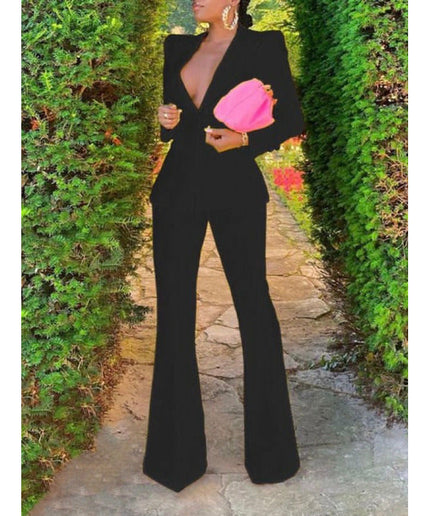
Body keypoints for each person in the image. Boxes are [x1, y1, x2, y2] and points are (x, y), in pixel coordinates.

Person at [143, 0, 305, 493]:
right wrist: (166, 120)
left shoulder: (264, 45)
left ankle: (273, 456)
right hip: (176, 189)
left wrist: (245, 142)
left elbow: (290, 118)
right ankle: (174, 459)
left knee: (254, 307)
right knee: (174, 312)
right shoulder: (177, 48)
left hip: (234, 186)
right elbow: (170, 124)